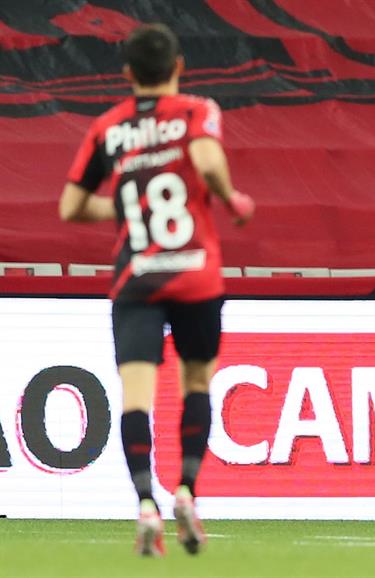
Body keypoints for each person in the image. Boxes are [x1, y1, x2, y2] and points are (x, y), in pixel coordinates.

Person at [59, 24, 255, 556]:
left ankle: (146, 502)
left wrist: (127, 208)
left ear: (126, 75)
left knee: (136, 398)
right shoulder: (196, 111)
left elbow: (70, 207)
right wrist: (230, 197)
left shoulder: (107, 127)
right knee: (196, 384)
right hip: (196, 276)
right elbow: (210, 162)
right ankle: (187, 492)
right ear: (179, 66)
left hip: (137, 281)